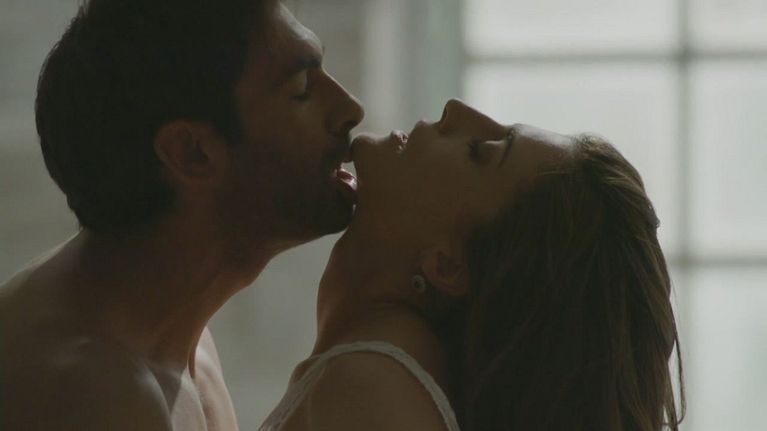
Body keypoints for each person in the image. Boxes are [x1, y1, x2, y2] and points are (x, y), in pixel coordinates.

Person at [0, 0, 363, 430]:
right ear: (192, 153)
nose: (351, 109)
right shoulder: (93, 396)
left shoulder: (178, 340)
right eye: (302, 88)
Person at [260, 99, 685, 431]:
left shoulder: (371, 393)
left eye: (480, 151)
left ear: (448, 266)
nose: (455, 110)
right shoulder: (374, 383)